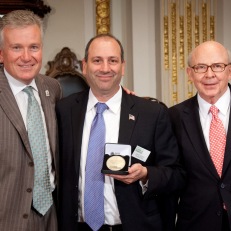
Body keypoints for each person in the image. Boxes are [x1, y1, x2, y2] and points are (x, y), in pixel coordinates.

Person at [56, 33, 186, 231]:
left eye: (113, 61)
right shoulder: (64, 111)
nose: (105, 68)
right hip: (76, 226)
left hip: (133, 225)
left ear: (123, 66)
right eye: (97, 60)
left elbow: (176, 174)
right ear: (85, 65)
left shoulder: (152, 113)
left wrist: (146, 175)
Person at [0, 10, 61, 231]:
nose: (27, 57)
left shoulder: (52, 89)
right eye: (16, 47)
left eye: (33, 47)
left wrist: (119, 96)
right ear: (1, 53)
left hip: (51, 218)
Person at [169, 41, 231, 231]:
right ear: (190, 74)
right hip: (196, 224)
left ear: (229, 71)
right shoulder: (174, 117)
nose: (209, 74)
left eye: (217, 66)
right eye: (201, 67)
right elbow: (170, 172)